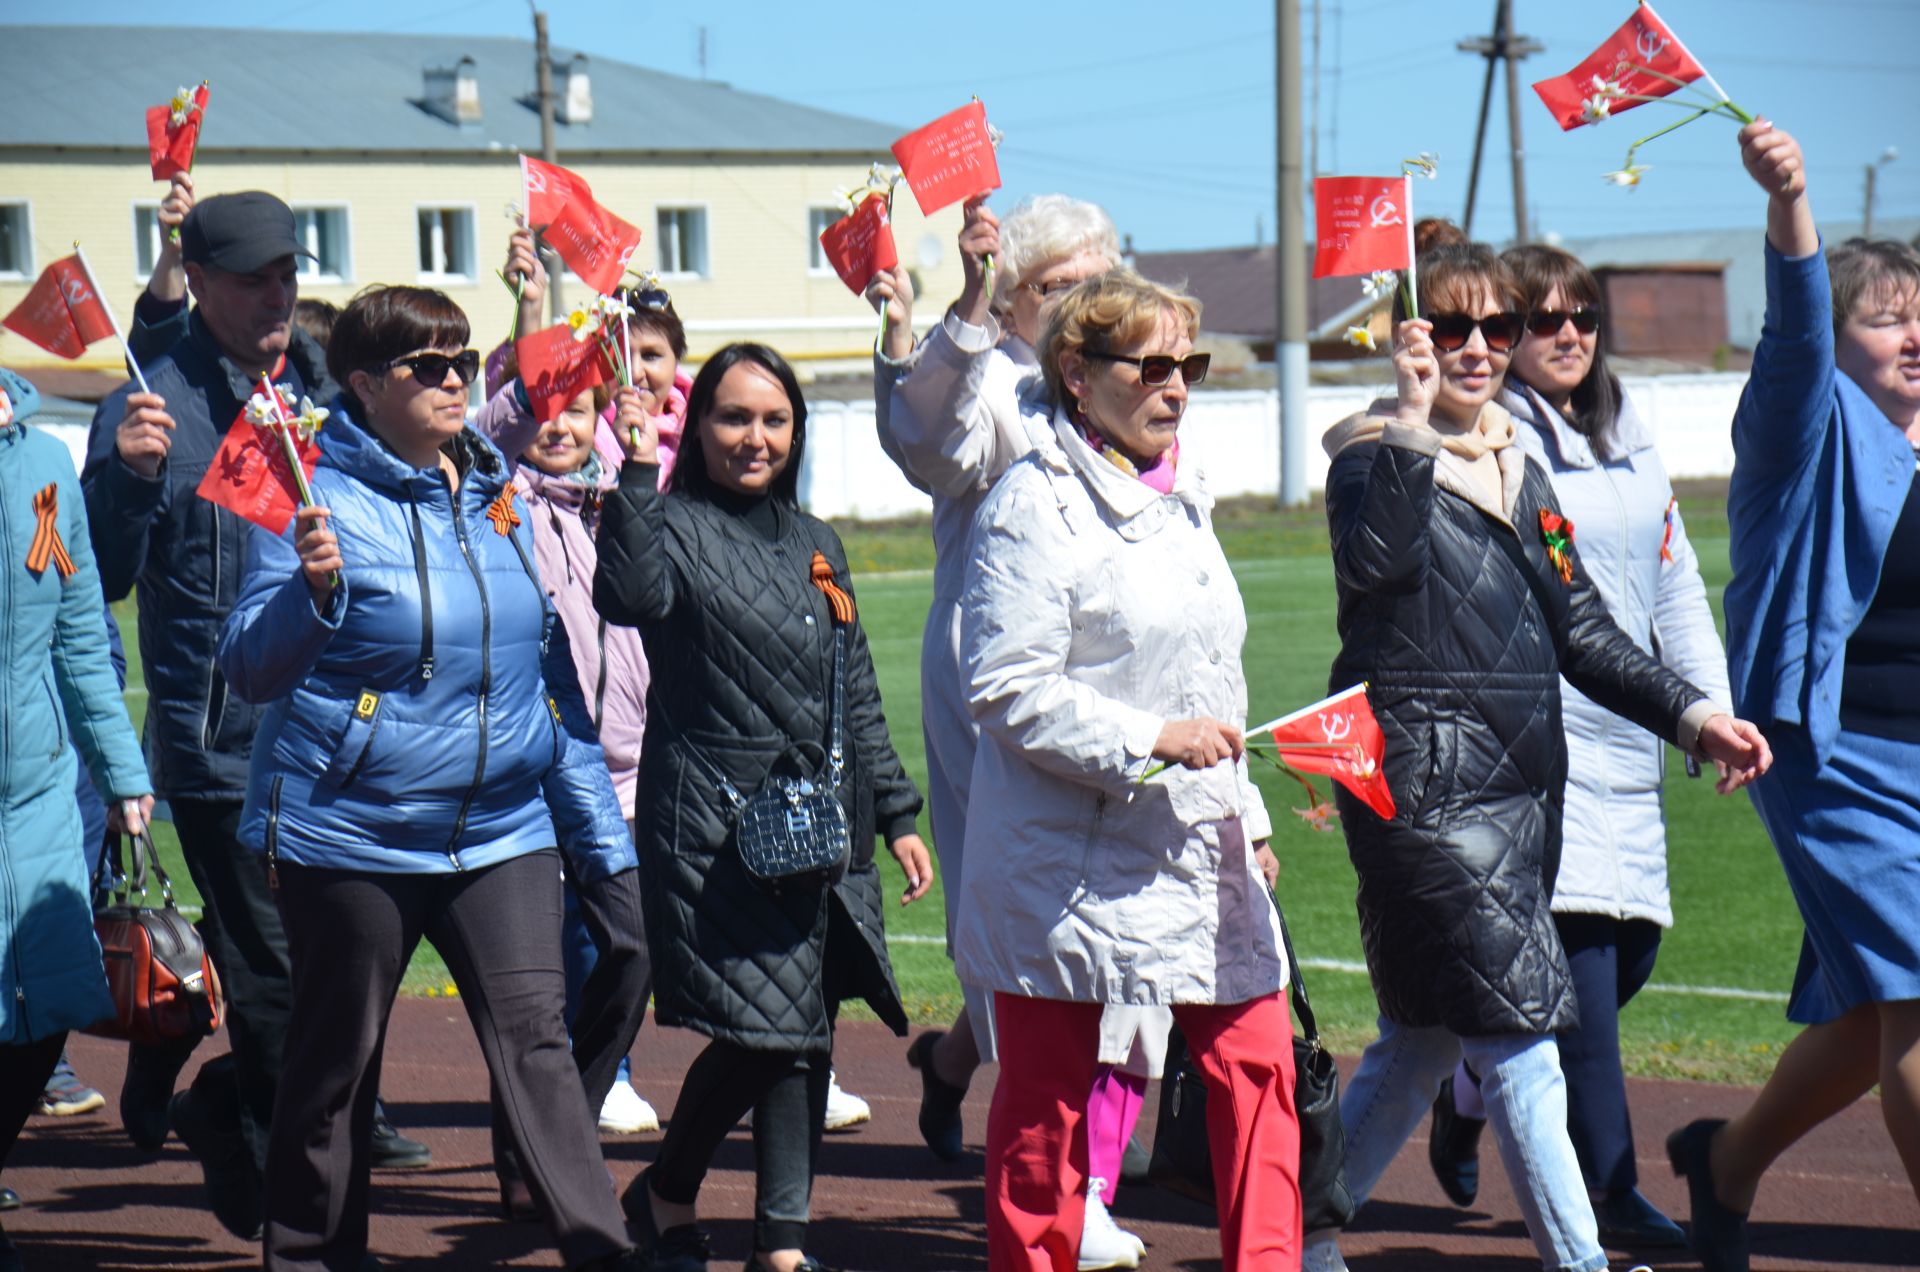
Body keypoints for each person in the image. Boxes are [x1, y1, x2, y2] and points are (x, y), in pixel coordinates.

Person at [1303, 232, 1772, 1272]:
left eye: (1496, 328)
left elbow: (1585, 629)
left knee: (1423, 1041)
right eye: (1455, 326)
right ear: (1411, 337)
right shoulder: (1373, 458)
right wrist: (1414, 423)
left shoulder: (1524, 467)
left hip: (1518, 793)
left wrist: (1696, 717)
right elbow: (1379, 570)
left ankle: (1297, 1235)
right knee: (1520, 1038)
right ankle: (1582, 1259)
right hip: (1422, 791)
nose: (1478, 347)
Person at [217, 284, 643, 1270]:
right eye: (429, 365)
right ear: (364, 385)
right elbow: (245, 664)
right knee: (336, 1062)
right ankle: (315, 1254)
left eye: (462, 360)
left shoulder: (497, 494)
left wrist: (599, 842)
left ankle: (602, 1248)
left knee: (539, 1044)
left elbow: (545, 683)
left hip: (502, 828)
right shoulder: (308, 489)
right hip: (351, 831)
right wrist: (313, 597)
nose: (457, 378)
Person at [83, 192, 430, 1244]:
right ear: (196, 277)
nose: (278, 292)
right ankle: (316, 1230)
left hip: (344, 744)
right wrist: (131, 484)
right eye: (252, 277)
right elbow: (97, 575)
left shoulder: (325, 387)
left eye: (287, 271)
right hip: (220, 754)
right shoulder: (151, 404)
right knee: (282, 994)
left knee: (340, 992)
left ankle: (220, 1103)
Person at [954, 269, 1298, 1271]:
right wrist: (1149, 739)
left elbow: (1212, 680)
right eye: (1151, 365)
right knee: (1044, 1120)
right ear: (1076, 373)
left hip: (1200, 844)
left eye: (1187, 364)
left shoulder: (1185, 492)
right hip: (1065, 865)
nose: (1177, 386)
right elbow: (1006, 688)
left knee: (1260, 1070)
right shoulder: (1031, 504)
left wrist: (1253, 807)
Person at [595, 341, 933, 1272]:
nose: (755, 438)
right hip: (713, 823)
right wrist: (628, 469)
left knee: (799, 1025)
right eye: (734, 418)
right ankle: (676, 1196)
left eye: (774, 419)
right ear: (697, 426)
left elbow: (851, 686)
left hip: (821, 824)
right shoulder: (665, 523)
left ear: (798, 429)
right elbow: (625, 596)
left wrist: (898, 812)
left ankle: (771, 1238)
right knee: (767, 1028)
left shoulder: (821, 542)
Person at [1421, 241, 1732, 1249]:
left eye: (1582, 318)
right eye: (1539, 319)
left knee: (1631, 953)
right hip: (1539, 744)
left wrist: (1708, 710)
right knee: (1585, 983)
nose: (1565, 335)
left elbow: (1673, 580)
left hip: (1634, 738)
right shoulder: (1497, 439)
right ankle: (1610, 1198)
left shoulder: (1628, 432)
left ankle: (1469, 1088)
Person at [880, 191, 1156, 1269]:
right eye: (1056, 288)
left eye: (1099, 278)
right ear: (1019, 301)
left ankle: (955, 1066)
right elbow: (920, 435)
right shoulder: (994, 383)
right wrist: (967, 308)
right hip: (996, 694)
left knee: (1125, 923)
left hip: (1125, 688)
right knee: (1015, 918)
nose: (1083, 303)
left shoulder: (1140, 387)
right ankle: (1066, 1184)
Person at [1664, 121, 1920, 1272]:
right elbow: (1796, 334)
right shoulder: (1799, 433)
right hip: (1833, 755)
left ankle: (1725, 1163)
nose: (1914, 334)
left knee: (1869, 1013)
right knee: (1918, 1002)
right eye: (1887, 315)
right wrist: (1793, 206)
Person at [476, 228, 657, 1212]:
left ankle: (566, 1113)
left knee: (625, 949)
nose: (562, 424)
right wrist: (531, 310)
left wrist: (629, 422)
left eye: (580, 408)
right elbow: (499, 419)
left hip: (624, 761)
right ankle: (546, 1143)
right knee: (543, 971)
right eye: (546, 409)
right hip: (529, 769)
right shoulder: (498, 499)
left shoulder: (612, 498)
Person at [0, 364, 155, 1272]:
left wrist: (123, 775)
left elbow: (76, 638)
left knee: (47, 1006)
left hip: (39, 795)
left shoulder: (45, 464)